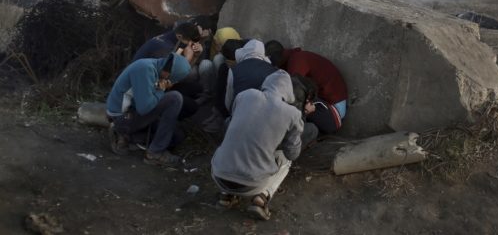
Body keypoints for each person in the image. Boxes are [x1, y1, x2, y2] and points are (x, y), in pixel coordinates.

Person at [210, 70, 306, 221]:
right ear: (288, 92)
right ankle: (261, 199)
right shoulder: (292, 113)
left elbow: (232, 124)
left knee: (235, 144)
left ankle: (226, 195)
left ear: (266, 83)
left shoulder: (244, 95)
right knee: (286, 159)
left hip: (219, 175)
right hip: (250, 185)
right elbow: (293, 153)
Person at [106, 52, 191, 168]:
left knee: (177, 136)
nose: (171, 83)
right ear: (168, 74)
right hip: (122, 116)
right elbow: (144, 108)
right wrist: (161, 90)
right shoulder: (145, 69)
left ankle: (128, 137)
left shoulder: (156, 68)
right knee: (175, 98)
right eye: (173, 80)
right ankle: (154, 153)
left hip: (133, 111)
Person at [265, 41, 348, 135]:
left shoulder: (297, 60)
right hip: (328, 102)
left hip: (334, 108)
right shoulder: (292, 60)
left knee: (295, 101)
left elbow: (293, 90)